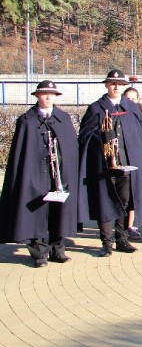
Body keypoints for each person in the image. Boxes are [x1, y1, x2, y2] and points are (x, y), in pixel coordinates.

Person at [0, 81, 80, 267]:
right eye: (44, 94)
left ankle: (57, 250)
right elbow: (20, 152)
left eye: (51, 94)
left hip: (58, 174)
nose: (48, 97)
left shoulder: (63, 118)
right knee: (36, 213)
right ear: (37, 96)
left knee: (58, 211)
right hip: (34, 174)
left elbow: (70, 149)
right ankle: (39, 253)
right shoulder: (26, 121)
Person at [79, 70, 142, 257]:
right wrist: (101, 137)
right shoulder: (96, 108)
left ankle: (121, 238)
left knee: (124, 202)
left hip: (126, 165)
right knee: (105, 202)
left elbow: (139, 137)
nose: (116, 87)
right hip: (104, 166)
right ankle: (106, 242)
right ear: (106, 85)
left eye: (119, 84)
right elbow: (85, 136)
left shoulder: (131, 108)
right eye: (112, 83)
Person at [122, 86, 142, 240]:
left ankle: (130, 225)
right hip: (121, 161)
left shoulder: (141, 115)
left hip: (137, 159)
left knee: (132, 195)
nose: (130, 101)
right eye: (127, 98)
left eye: (133, 98)